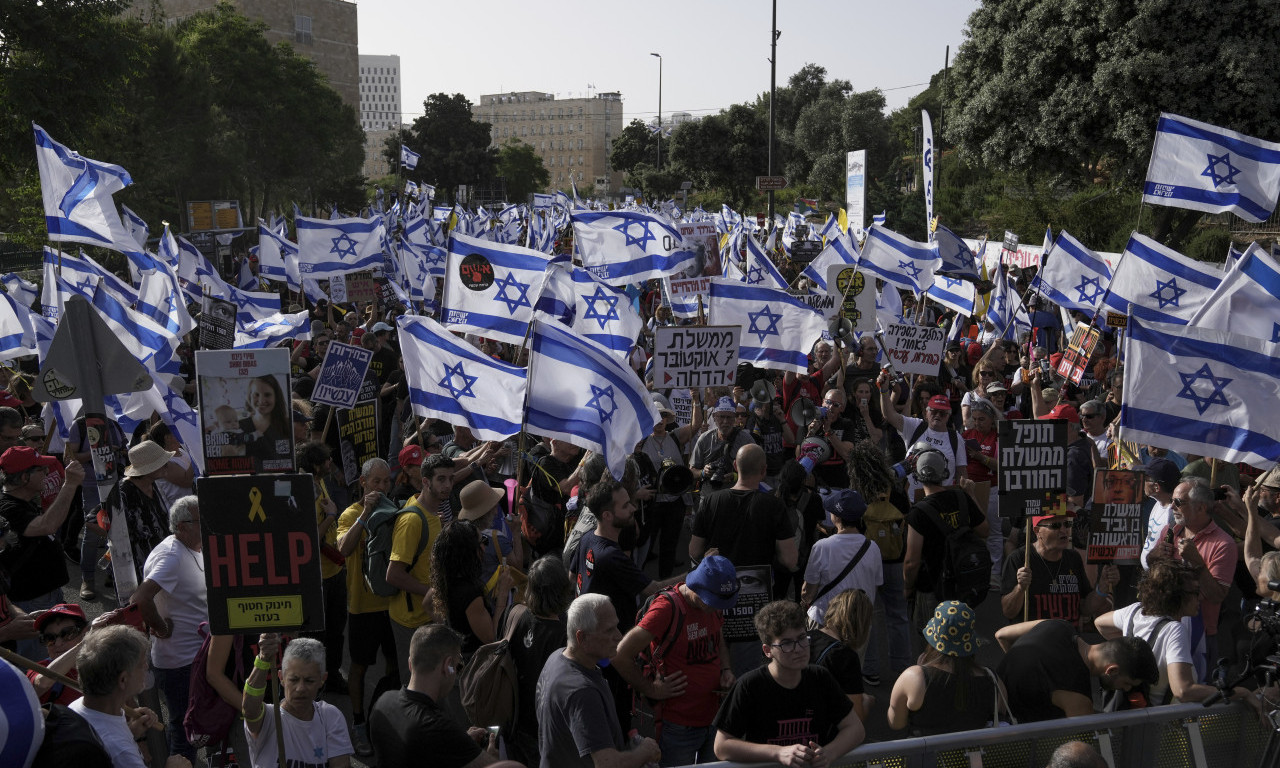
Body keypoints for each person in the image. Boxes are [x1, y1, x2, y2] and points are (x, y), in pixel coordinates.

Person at [569, 477, 685, 731]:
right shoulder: (610, 556)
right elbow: (653, 589)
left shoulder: (588, 538)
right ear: (608, 515)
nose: (633, 509)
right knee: (614, 715)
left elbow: (572, 578)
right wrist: (696, 576)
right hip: (609, 650)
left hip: (589, 644)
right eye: (625, 506)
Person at [611, 555, 739, 767]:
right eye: (713, 602)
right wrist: (650, 689)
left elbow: (718, 638)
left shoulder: (713, 607)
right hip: (679, 727)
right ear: (696, 588)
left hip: (715, 718)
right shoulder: (666, 609)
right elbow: (619, 655)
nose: (718, 608)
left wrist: (726, 668)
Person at [712, 600, 864, 767]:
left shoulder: (820, 677)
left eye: (801, 638)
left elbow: (855, 729)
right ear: (767, 650)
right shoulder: (750, 685)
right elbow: (722, 746)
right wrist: (777, 753)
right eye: (786, 643)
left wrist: (829, 753)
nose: (798, 649)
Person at [1096, 560, 1254, 704]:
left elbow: (1100, 623)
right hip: (1163, 728)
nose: (1200, 598)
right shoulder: (1174, 630)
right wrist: (1241, 692)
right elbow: (1183, 690)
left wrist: (1126, 650)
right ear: (1176, 596)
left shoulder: (1134, 611)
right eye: (1195, 592)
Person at [536, 593, 662, 768]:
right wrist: (644, 752)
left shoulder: (557, 658)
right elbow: (607, 764)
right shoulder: (581, 692)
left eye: (617, 627)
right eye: (609, 630)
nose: (619, 636)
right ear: (582, 638)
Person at [368, 624, 513, 768]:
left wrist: (459, 742)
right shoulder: (439, 727)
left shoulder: (382, 704)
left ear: (410, 663)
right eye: (458, 666)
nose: (457, 672)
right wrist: (494, 758)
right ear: (447, 665)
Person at [131, 495, 207, 762]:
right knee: (184, 728)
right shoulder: (172, 556)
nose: (208, 524)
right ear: (182, 526)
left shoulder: (192, 547)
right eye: (202, 520)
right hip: (180, 663)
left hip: (194, 657)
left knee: (193, 724)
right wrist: (161, 628)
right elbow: (140, 599)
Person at [335, 457, 400, 756]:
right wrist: (365, 515)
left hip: (392, 604)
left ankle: (383, 717)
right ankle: (359, 723)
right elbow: (344, 549)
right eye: (377, 482)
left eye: (387, 481)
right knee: (359, 667)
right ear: (363, 483)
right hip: (362, 607)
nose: (383, 487)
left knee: (395, 664)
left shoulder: (394, 511)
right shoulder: (349, 514)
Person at [0, 445, 84, 659]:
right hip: (30, 601)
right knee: (42, 662)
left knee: (58, 656)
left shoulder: (23, 502)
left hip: (46, 595)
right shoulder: (8, 508)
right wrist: (70, 483)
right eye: (41, 470)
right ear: (24, 478)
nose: (47, 473)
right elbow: (47, 525)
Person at [1146, 477, 1237, 671]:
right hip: (1162, 626)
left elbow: (1217, 595)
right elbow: (1154, 575)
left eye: (1179, 502)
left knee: (1195, 693)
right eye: (1172, 501)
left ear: (1202, 507)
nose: (1172, 507)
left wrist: (1197, 563)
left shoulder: (1223, 544)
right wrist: (1152, 557)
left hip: (1200, 636)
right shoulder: (1169, 532)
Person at [995, 618, 1158, 722]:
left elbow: (1002, 634)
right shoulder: (1078, 697)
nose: (1127, 689)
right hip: (1015, 744)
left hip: (991, 711)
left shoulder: (1058, 624)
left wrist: (1021, 671)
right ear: (1112, 670)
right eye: (1127, 683)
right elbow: (1083, 748)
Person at [887, 600, 1006, 736]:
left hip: (926, 756)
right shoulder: (993, 680)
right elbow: (1001, 712)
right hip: (973, 756)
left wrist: (921, 670)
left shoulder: (914, 677)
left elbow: (895, 723)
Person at [499, 555, 573, 768]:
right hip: (544, 730)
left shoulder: (514, 614)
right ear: (562, 590)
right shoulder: (564, 635)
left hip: (513, 721)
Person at [70, 625, 178, 768]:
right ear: (123, 680)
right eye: (141, 664)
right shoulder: (123, 753)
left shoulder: (77, 707)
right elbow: (113, 747)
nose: (146, 666)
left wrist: (130, 732)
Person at [241, 634, 353, 767]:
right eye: (294, 680)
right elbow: (249, 710)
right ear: (281, 677)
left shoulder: (331, 716)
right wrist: (263, 659)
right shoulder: (269, 718)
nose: (300, 688)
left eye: (309, 681)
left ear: (322, 679)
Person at [386, 453, 449, 685]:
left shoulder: (434, 514)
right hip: (410, 620)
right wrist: (430, 593)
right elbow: (393, 575)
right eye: (441, 479)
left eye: (450, 479)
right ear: (425, 481)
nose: (447, 485)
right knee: (414, 685)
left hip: (429, 614)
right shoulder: (412, 521)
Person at [1001, 510, 1117, 626]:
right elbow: (1008, 612)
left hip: (1069, 640)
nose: (1064, 530)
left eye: (1067, 524)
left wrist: (1102, 587)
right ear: (1037, 531)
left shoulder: (1073, 558)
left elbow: (1085, 608)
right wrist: (1020, 588)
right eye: (1055, 526)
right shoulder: (1020, 559)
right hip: (1034, 640)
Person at [641, 395, 703, 579]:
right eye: (654, 416)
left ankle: (666, 585)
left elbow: (696, 424)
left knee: (669, 545)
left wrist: (696, 399)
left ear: (667, 419)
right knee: (645, 545)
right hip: (651, 503)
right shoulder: (642, 441)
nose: (659, 420)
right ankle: (642, 586)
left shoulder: (675, 437)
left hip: (674, 502)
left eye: (662, 416)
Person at [432, 517, 512, 658]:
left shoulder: (446, 578)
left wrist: (451, 632)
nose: (485, 547)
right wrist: (503, 594)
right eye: (483, 542)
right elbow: (492, 637)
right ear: (469, 550)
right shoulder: (470, 593)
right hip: (474, 662)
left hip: (458, 654)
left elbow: (428, 603)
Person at [802, 489, 882, 627]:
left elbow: (808, 592)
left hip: (826, 620)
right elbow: (875, 585)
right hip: (859, 623)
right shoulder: (873, 547)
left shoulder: (822, 546)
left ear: (837, 517)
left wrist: (804, 600)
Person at [105, 440, 175, 584]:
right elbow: (93, 521)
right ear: (148, 469)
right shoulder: (123, 493)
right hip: (137, 566)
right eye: (162, 462)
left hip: (160, 559)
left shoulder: (154, 484)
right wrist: (122, 540)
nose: (167, 465)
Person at [808, 589, 873, 722]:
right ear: (862, 622)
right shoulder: (845, 656)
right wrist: (867, 702)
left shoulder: (806, 637)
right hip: (821, 728)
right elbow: (856, 718)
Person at [27, 602, 89, 705]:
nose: (58, 643)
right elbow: (42, 684)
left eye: (67, 634)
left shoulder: (105, 666)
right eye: (49, 638)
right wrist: (85, 643)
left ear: (85, 632)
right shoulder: (39, 668)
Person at [690, 396, 756, 494]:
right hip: (709, 496)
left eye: (729, 417)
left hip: (736, 496)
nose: (725, 422)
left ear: (734, 418)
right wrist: (703, 472)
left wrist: (736, 476)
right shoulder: (705, 439)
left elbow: (757, 471)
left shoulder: (745, 440)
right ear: (714, 417)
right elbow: (692, 471)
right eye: (721, 417)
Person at [240, 374, 292, 470]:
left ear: (276, 397)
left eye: (267, 395)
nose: (261, 400)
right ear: (249, 396)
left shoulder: (287, 426)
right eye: (256, 395)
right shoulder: (238, 427)